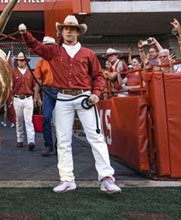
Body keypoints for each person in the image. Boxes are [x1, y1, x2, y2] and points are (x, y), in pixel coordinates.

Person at [19, 15, 121, 194]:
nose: (69, 31)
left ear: (77, 32)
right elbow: (36, 46)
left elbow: (98, 76)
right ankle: (67, 179)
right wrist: (25, 34)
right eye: (66, 28)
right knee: (63, 141)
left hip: (85, 98)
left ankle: (106, 178)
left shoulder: (88, 53)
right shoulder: (54, 51)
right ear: (62, 31)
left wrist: (96, 94)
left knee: (96, 138)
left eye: (72, 29)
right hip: (63, 98)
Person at [34, 36, 57, 156]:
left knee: (60, 121)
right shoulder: (41, 62)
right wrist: (36, 95)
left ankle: (60, 146)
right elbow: (38, 79)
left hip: (60, 91)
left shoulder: (59, 59)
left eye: (50, 46)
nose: (48, 48)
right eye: (46, 46)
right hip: (47, 91)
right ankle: (49, 146)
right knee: (46, 118)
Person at [11, 52, 37, 151]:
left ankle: (31, 141)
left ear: (26, 61)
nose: (21, 62)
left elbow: (34, 86)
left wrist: (36, 97)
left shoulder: (30, 72)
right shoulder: (13, 73)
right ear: (17, 61)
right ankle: (20, 139)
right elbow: (11, 86)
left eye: (23, 60)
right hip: (17, 98)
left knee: (28, 120)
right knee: (19, 120)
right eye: (19, 60)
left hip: (28, 98)